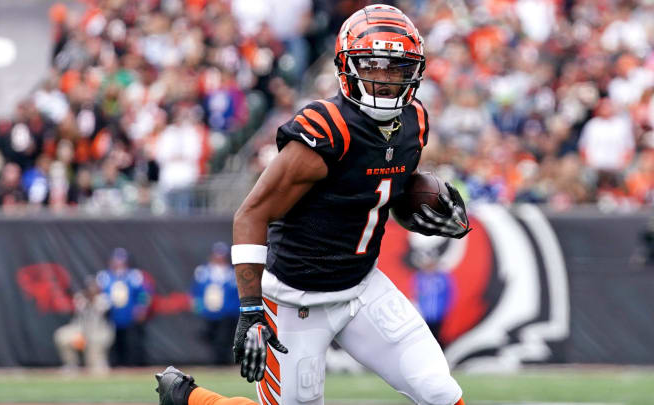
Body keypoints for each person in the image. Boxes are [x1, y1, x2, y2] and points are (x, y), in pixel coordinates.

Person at [157, 5, 471, 405]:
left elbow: (379, 182)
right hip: (296, 297)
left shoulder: (415, 121)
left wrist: (423, 205)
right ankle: (191, 398)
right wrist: (252, 310)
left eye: (397, 68)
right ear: (347, 66)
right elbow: (252, 213)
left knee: (439, 388)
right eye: (373, 66)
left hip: (362, 286)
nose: (387, 80)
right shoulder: (328, 129)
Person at [97, 247, 151, 367]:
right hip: (111, 317)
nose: (119, 263)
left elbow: (144, 293)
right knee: (112, 343)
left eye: (121, 260)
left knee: (132, 342)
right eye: (116, 260)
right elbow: (98, 293)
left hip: (129, 315)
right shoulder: (104, 276)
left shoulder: (134, 275)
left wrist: (141, 308)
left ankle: (132, 367)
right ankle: (115, 366)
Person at [190, 242, 240, 365]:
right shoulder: (203, 271)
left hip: (227, 312)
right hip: (209, 312)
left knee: (223, 339)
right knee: (209, 336)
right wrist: (198, 305)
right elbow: (195, 291)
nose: (219, 258)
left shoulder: (232, 273)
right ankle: (216, 361)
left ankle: (222, 363)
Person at [53, 276, 114, 373]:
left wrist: (91, 298)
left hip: (99, 331)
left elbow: (102, 309)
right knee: (61, 336)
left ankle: (98, 364)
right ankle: (71, 365)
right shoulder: (81, 297)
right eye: (89, 287)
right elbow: (77, 309)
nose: (91, 289)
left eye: (94, 287)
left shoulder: (104, 299)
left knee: (95, 365)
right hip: (80, 329)